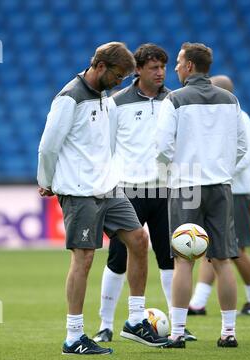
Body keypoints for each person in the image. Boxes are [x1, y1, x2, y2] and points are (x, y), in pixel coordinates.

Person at [37, 42, 169, 355]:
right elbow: (48, 147)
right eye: (118, 76)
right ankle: (74, 336)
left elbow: (106, 143)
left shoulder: (103, 98)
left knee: (138, 240)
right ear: (99, 66)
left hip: (108, 187)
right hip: (80, 192)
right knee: (83, 259)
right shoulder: (69, 99)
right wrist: (46, 181)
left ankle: (135, 320)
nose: (120, 82)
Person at [93, 43, 196, 343]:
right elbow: (106, 146)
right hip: (128, 190)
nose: (161, 73)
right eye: (154, 67)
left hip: (166, 189)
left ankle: (178, 326)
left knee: (170, 257)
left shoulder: (174, 101)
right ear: (137, 70)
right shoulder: (116, 102)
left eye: (164, 67)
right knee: (117, 259)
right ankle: (105, 324)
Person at [156, 43, 247, 348]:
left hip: (186, 187)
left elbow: (163, 147)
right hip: (220, 186)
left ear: (190, 66)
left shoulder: (175, 99)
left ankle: (178, 333)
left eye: (179, 63)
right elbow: (241, 146)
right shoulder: (231, 100)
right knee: (223, 260)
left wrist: (172, 172)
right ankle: (229, 333)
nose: (176, 68)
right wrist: (221, 168)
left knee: (184, 260)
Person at [188, 75, 250, 317]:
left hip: (236, 191)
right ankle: (198, 303)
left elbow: (243, 157)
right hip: (227, 189)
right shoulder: (231, 115)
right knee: (213, 249)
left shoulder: (238, 118)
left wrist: (215, 173)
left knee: (234, 250)